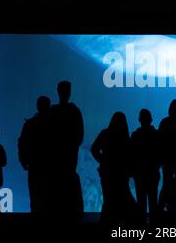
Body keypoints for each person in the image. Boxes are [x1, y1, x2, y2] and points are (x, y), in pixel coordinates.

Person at [91, 112, 138, 222]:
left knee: (108, 202)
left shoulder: (105, 133)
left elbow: (94, 149)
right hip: (121, 175)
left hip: (107, 174)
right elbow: (130, 157)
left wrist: (103, 161)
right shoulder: (126, 138)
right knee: (124, 201)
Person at [50, 80, 84, 215]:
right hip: (69, 152)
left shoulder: (52, 111)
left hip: (57, 153)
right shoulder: (74, 111)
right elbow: (80, 134)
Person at [18, 95, 53, 213]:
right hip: (49, 165)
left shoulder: (30, 124)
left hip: (35, 165)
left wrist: (23, 160)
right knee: (47, 197)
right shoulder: (54, 124)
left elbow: (22, 143)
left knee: (35, 196)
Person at [130, 109, 161, 222]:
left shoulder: (135, 135)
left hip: (139, 174)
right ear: (151, 120)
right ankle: (154, 225)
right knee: (153, 201)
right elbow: (160, 154)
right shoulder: (157, 135)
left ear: (139, 120)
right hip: (153, 172)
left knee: (141, 202)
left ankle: (140, 228)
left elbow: (131, 155)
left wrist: (132, 171)